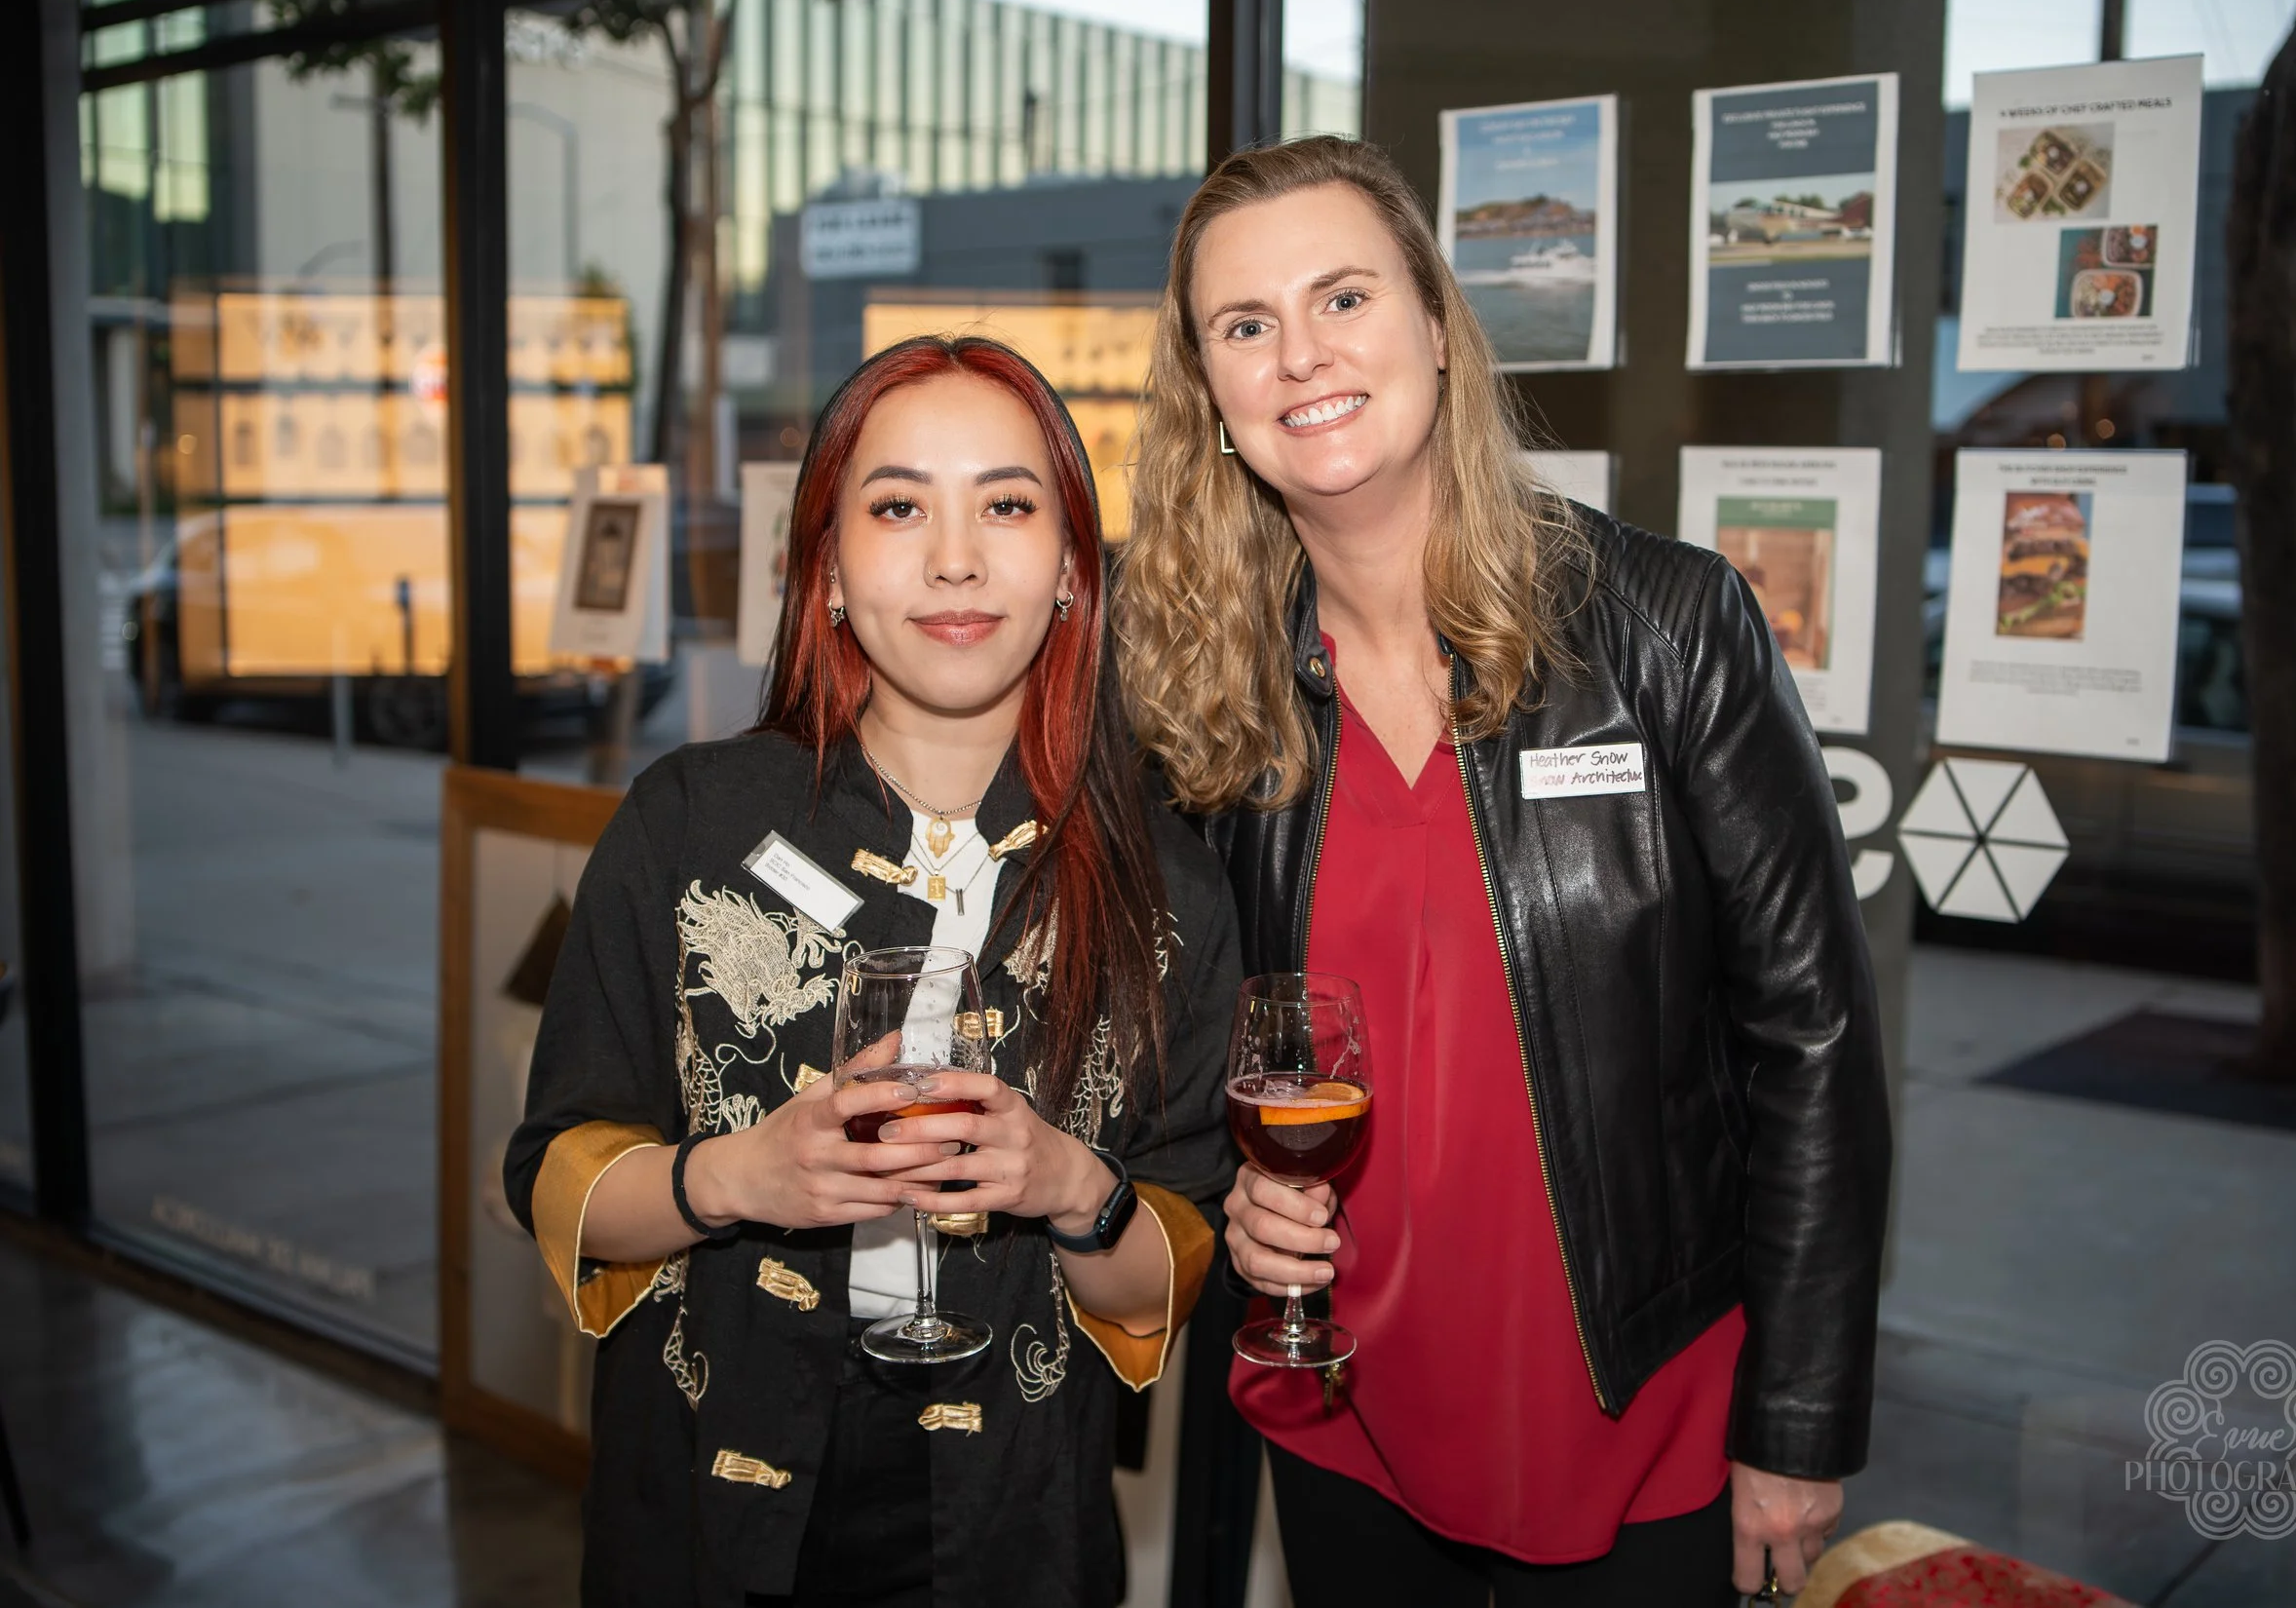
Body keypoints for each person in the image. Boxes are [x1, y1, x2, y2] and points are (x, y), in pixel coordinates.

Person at [1114, 136, 1892, 1604]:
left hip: (1639, 1412)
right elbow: (1177, 1035)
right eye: (1246, 324)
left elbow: (1813, 1040)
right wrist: (1230, 1188)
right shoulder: (1203, 691)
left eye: (1344, 297)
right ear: (1208, 390)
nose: (1301, 356)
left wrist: (1796, 1417)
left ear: (1434, 324)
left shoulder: (1667, 627)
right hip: (1340, 1406)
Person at [507, 336, 1242, 1608]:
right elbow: (555, 1174)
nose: (955, 558)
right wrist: (736, 1175)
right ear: (830, 569)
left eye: (1007, 506)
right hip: (707, 1493)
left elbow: (1164, 1275)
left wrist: (1069, 1183)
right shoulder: (690, 823)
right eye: (899, 507)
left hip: (1012, 1516)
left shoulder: (1165, 883)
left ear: (1074, 567)